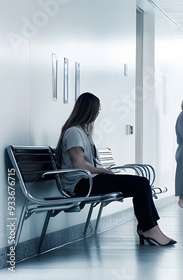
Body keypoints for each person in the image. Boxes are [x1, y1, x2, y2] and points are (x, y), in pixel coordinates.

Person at [55, 92, 176, 246]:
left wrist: (103, 171)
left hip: (91, 180)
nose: (98, 113)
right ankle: (149, 229)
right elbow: (79, 165)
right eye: (97, 110)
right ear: (88, 110)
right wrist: (103, 171)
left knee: (141, 184)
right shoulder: (74, 132)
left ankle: (150, 229)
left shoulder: (83, 132)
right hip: (82, 184)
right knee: (140, 184)